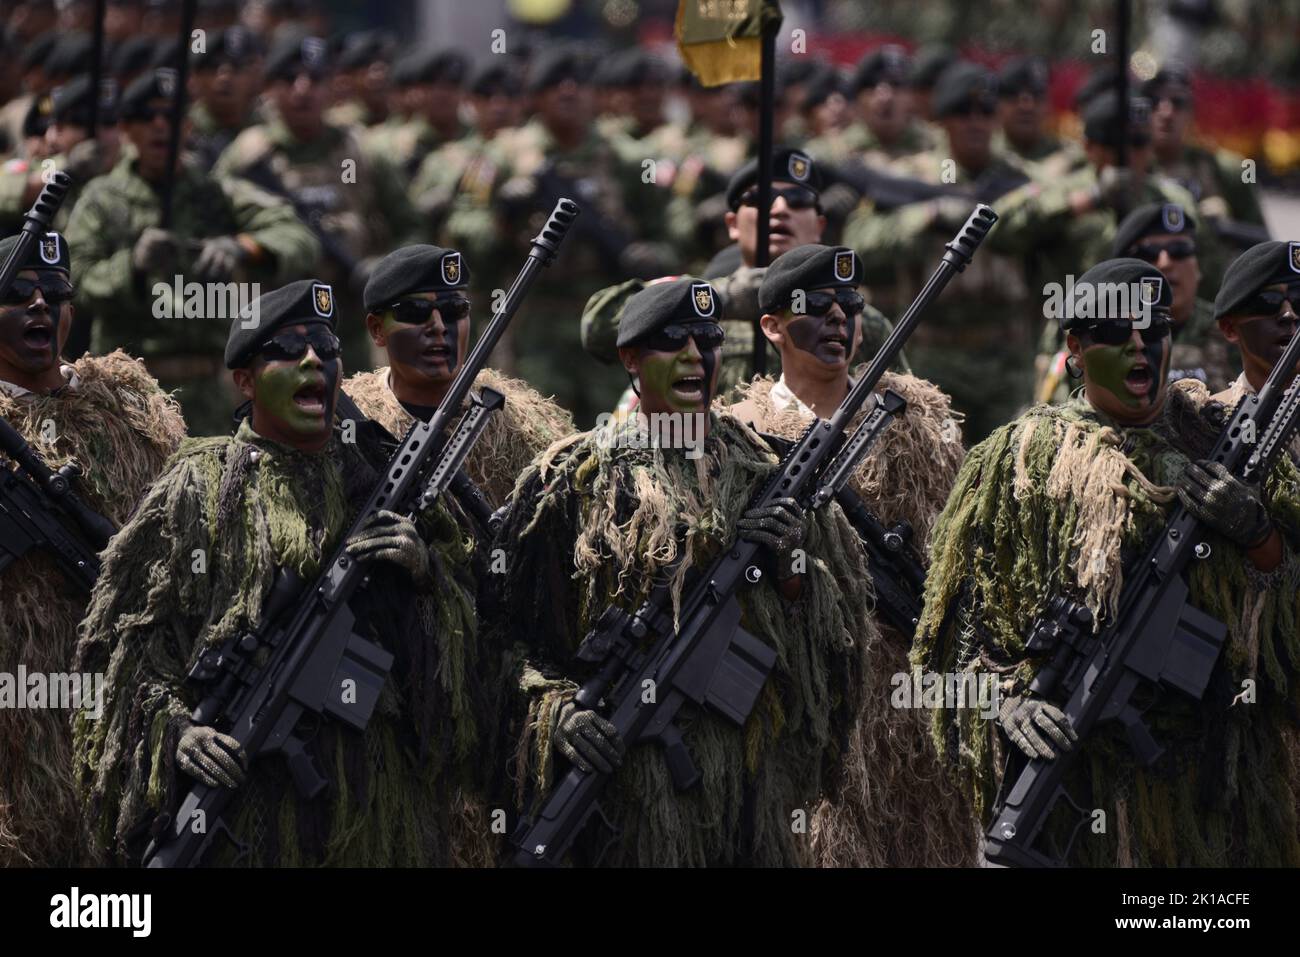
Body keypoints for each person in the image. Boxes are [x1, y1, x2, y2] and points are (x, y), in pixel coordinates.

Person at [73, 280, 488, 867]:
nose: (314, 361)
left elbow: (478, 639)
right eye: (288, 351)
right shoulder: (199, 485)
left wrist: (427, 574)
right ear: (244, 380)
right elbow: (120, 652)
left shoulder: (381, 474)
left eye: (325, 347)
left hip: (380, 810)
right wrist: (177, 734)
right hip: (248, 810)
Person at [914, 257, 1300, 866]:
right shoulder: (1024, 459)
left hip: (1217, 785)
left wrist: (1259, 536)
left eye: (1156, 329)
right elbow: (952, 643)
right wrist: (1005, 699)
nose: (1140, 347)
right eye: (1117, 334)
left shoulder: (1222, 437)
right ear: (1075, 346)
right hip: (1083, 777)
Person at [494, 278, 873, 866]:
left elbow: (840, 643)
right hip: (628, 793)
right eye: (673, 341)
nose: (697, 355)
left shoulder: (766, 471)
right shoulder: (574, 481)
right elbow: (503, 636)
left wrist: (793, 569)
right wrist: (556, 711)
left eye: (708, 338)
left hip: (753, 792)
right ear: (630, 360)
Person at [725, 245, 975, 866]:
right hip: (799, 706)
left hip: (913, 701)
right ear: (772, 326)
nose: (839, 318)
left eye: (851, 305)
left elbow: (958, 551)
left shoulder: (917, 415)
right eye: (817, 306)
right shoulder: (736, 428)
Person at [0, 230, 184, 866]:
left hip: (138, 687)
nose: (40, 308)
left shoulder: (127, 403)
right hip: (21, 702)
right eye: (19, 296)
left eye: (54, 294)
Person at [65, 68, 320, 435]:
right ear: (126, 128)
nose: (159, 126)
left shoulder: (216, 191)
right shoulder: (101, 200)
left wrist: (241, 247)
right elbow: (75, 281)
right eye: (146, 117)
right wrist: (132, 266)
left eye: (171, 116)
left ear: (187, 126)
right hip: (128, 392)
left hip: (210, 390)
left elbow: (298, 237)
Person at [845, 63, 1034, 442]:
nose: (975, 123)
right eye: (963, 112)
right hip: (934, 352)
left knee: (1011, 466)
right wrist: (927, 217)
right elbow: (858, 242)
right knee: (938, 467)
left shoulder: (1021, 180)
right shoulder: (911, 177)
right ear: (943, 119)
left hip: (1006, 355)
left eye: (985, 112)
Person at [213, 33, 419, 373]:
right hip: (271, 327)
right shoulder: (246, 156)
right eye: (289, 78)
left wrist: (384, 269)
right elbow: (213, 225)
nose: (302, 88)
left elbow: (411, 227)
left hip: (348, 323)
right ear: (270, 88)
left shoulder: (363, 150)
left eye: (315, 79)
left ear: (333, 86)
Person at [342, 244, 572, 510]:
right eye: (415, 312)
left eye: (454, 310)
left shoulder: (519, 422)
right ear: (377, 329)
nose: (439, 326)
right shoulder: (347, 419)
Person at [1037, 202, 1237, 402]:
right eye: (1148, 253)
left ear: (1198, 267)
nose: (1165, 263)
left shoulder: (1232, 328)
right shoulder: (1089, 335)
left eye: (1180, 250)